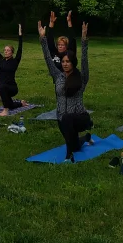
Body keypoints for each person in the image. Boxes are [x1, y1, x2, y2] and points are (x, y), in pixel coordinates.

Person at [39, 20, 92, 163]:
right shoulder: (57, 76)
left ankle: (69, 157)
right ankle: (85, 138)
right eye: (63, 62)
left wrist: (84, 40)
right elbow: (47, 59)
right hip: (62, 118)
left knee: (69, 119)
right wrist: (43, 39)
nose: (65, 64)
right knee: (74, 144)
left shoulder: (81, 77)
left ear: (73, 63)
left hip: (80, 118)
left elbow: (84, 60)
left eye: (68, 61)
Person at [0, 22, 30, 116]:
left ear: (12, 52)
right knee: (11, 104)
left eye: (8, 50)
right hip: (2, 87)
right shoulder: (1, 60)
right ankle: (21, 103)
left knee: (3, 88)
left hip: (12, 88)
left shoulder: (15, 61)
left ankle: (5, 110)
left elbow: (20, 49)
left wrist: (20, 35)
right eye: (5, 50)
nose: (6, 51)